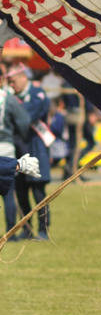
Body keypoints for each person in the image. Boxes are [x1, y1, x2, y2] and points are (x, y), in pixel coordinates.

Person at [8, 63, 52, 240]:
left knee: (39, 192)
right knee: (21, 192)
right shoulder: (12, 97)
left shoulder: (37, 95)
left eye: (13, 81)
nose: (12, 85)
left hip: (36, 149)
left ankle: (44, 230)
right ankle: (27, 230)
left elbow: (25, 120)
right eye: (9, 82)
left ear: (23, 77)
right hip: (18, 149)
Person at [0, 65, 30, 235]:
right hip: (6, 148)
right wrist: (19, 135)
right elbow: (24, 121)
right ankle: (10, 233)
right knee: (8, 194)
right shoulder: (8, 98)